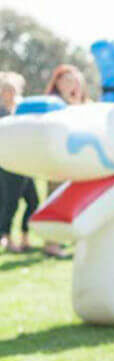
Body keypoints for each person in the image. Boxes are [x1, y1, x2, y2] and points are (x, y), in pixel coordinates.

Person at [41, 64, 89, 258]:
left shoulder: (86, 104)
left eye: (76, 80)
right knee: (56, 199)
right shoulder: (52, 103)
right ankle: (51, 244)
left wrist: (77, 102)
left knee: (78, 200)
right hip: (58, 160)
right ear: (58, 82)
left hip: (80, 161)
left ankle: (73, 239)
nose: (72, 84)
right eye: (68, 80)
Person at [0, 72, 36, 253]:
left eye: (12, 89)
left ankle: (25, 237)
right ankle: (5, 237)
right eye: (6, 89)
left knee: (33, 201)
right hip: (8, 164)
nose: (9, 93)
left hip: (25, 163)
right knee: (10, 203)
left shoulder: (23, 110)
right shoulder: (1, 113)